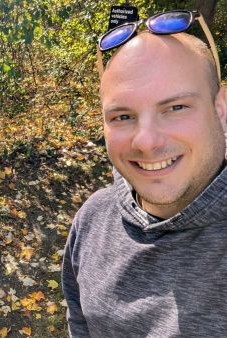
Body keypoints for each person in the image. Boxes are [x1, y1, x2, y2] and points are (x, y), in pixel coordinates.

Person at [62, 9, 227, 337]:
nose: (147, 142)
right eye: (123, 116)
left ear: (221, 111)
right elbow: (80, 323)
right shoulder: (91, 221)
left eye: (176, 108)